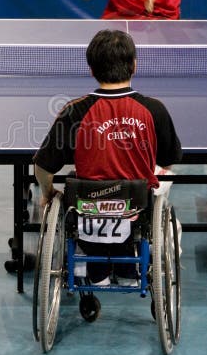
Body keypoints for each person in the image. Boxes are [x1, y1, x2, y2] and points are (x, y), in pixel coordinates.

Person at [33, 29, 182, 286]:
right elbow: (168, 161)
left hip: (86, 205)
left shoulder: (75, 112)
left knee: (68, 185)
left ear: (91, 69)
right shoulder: (154, 109)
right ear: (134, 66)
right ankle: (131, 272)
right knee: (162, 190)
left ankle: (96, 272)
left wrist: (47, 192)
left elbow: (43, 166)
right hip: (137, 206)